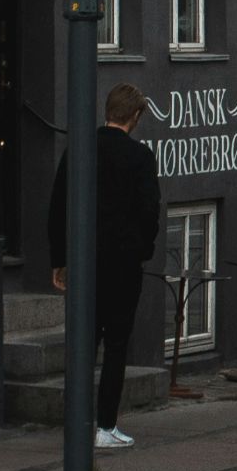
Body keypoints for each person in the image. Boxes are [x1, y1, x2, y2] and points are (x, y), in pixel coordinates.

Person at [49, 83, 162, 450]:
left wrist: (59, 259)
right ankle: (106, 425)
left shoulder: (80, 150)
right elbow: (149, 211)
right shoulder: (140, 157)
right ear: (136, 116)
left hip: (85, 260)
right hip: (123, 263)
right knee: (116, 345)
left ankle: (77, 420)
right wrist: (141, 250)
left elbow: (58, 205)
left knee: (84, 341)